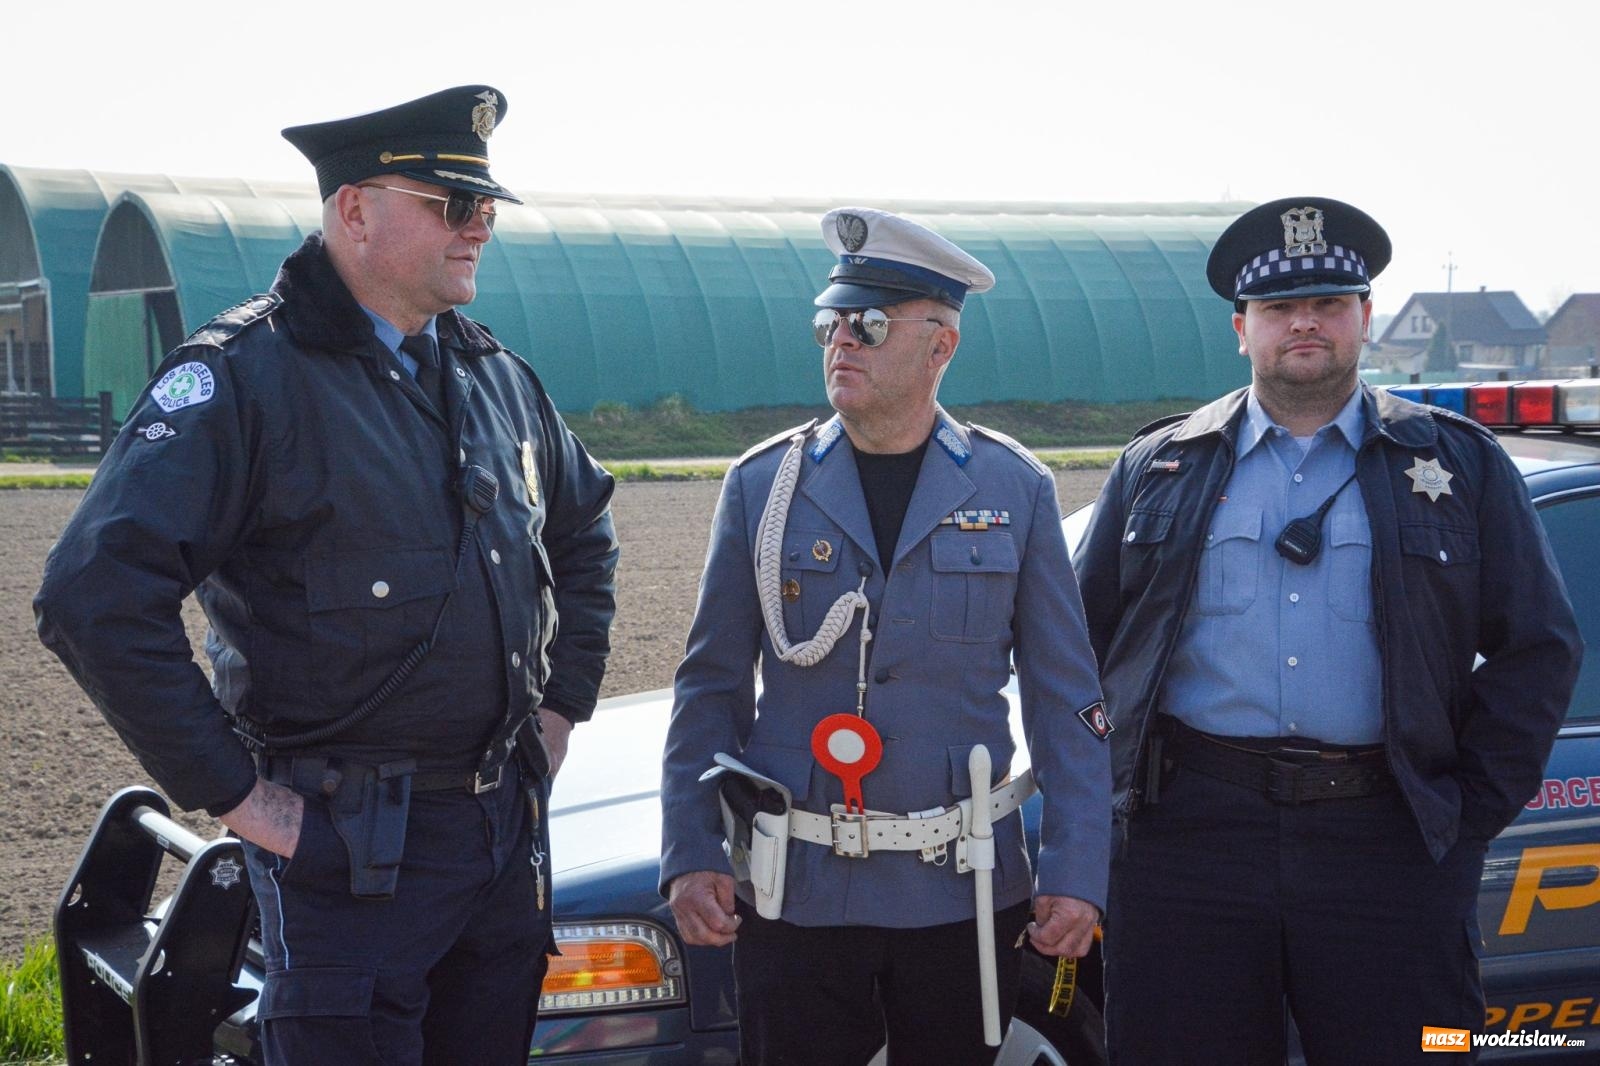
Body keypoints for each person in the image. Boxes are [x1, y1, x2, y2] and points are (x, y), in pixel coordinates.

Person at [35, 86, 619, 1066]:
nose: (478, 229)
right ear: (354, 209)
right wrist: (241, 800)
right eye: (449, 205)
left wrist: (560, 710)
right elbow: (93, 595)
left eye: (484, 208)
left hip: (498, 846)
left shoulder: (496, 378)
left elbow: (584, 533)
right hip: (350, 855)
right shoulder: (244, 380)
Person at [1072, 196, 1583, 1064]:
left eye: (1328, 304)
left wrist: (1463, 822)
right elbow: (1078, 655)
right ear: (1242, 329)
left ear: (1366, 319)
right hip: (1188, 842)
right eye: (1278, 308)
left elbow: (1539, 648)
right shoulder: (1161, 466)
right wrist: (1102, 823)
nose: (1303, 324)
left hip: (1386, 842)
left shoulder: (1459, 465)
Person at [660, 206, 1111, 1065]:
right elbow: (709, 685)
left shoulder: (1012, 487)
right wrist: (689, 849)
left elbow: (1067, 696)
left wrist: (1076, 869)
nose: (842, 343)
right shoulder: (766, 485)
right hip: (797, 892)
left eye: (868, 325)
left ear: (940, 347)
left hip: (961, 893)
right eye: (830, 322)